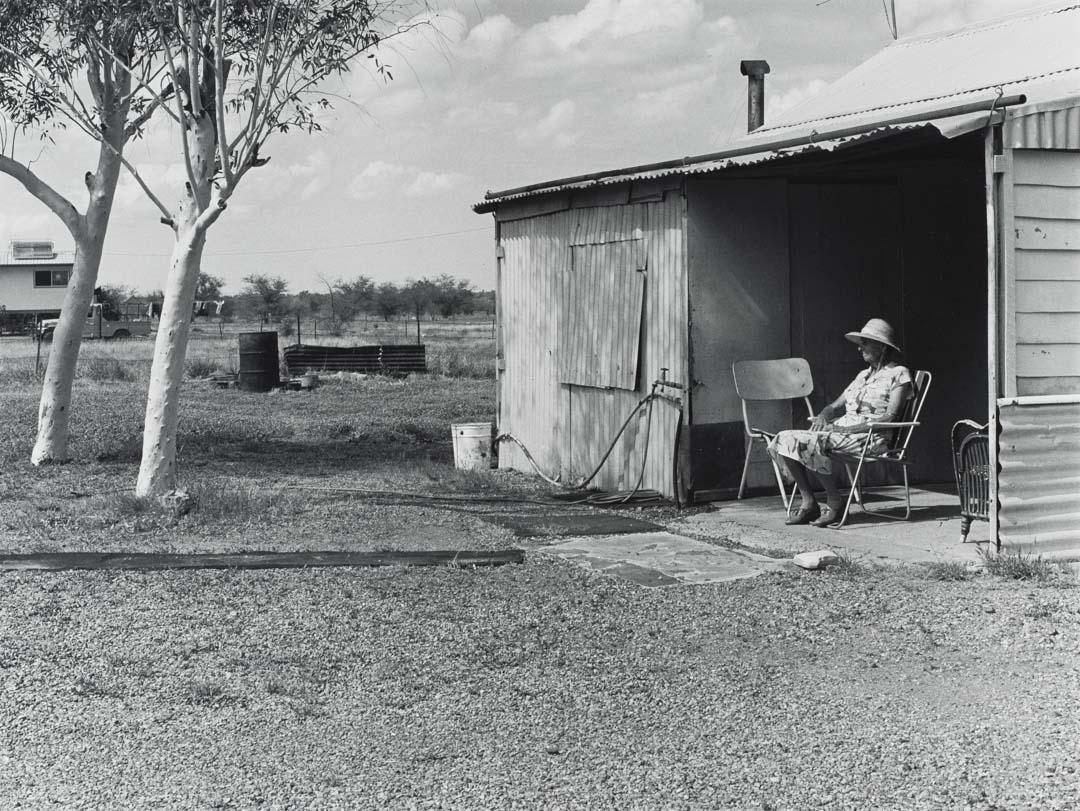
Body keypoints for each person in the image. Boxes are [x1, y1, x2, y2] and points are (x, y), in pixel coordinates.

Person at [767, 318, 913, 528]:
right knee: (784, 438)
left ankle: (835, 501)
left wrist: (844, 428)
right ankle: (809, 502)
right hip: (842, 433)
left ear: (881, 346)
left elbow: (890, 417)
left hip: (869, 437)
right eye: (860, 343)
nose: (859, 349)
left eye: (865, 343)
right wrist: (824, 416)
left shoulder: (899, 373)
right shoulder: (862, 376)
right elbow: (835, 406)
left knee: (812, 443)